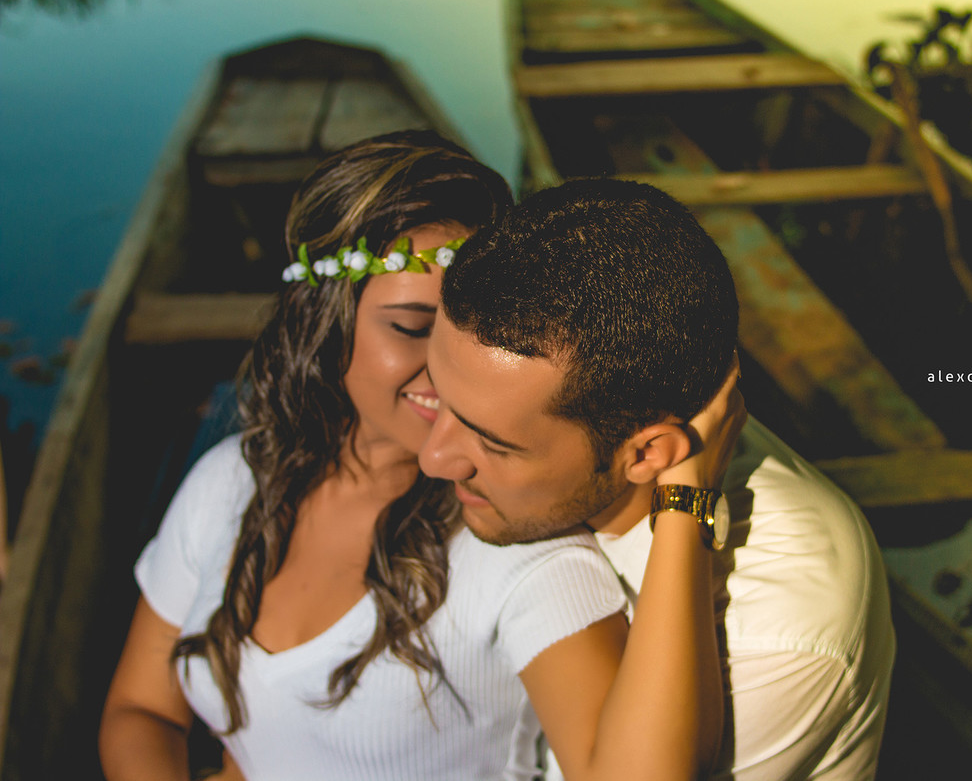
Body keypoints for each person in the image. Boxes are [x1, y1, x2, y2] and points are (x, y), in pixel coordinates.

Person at [99, 131, 735, 781]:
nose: (446, 359)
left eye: (467, 325)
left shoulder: (507, 541)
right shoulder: (230, 480)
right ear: (327, 319)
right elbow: (141, 708)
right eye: (411, 325)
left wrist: (686, 499)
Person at [419, 178, 897, 781]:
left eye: (492, 444)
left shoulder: (781, 629)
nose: (433, 458)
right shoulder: (566, 436)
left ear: (647, 455)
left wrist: (685, 509)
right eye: (438, 397)